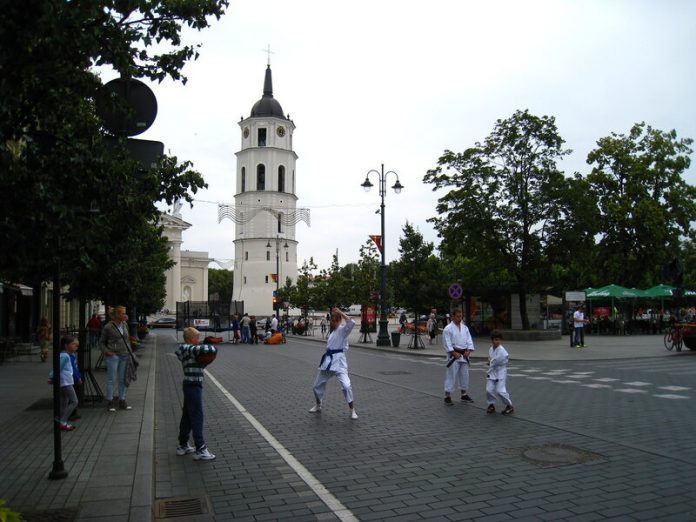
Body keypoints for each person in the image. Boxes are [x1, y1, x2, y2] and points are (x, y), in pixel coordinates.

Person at [309, 307, 358, 419]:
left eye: (336, 321)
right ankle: (318, 404)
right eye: (332, 321)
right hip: (328, 361)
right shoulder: (333, 332)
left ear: (339, 321)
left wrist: (340, 312)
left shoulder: (342, 330)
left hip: (339, 362)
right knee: (316, 385)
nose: (334, 323)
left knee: (346, 386)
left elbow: (351, 322)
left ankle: (352, 410)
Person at [175, 327, 216, 461]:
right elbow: (210, 350)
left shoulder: (184, 349)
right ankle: (200, 448)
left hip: (189, 384)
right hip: (193, 386)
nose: (198, 341)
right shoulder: (190, 348)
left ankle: (183, 445)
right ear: (192, 339)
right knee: (197, 416)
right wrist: (211, 344)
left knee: (187, 416)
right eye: (197, 338)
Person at [100, 305, 133, 412]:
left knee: (123, 379)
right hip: (113, 356)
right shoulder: (108, 327)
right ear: (117, 314)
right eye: (123, 313)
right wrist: (107, 352)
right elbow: (101, 342)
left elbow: (127, 339)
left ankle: (122, 400)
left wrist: (129, 351)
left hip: (124, 355)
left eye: (125, 313)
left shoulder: (124, 324)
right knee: (111, 379)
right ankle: (109, 401)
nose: (125, 315)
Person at [441, 308, 475, 405]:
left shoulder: (465, 328)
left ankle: (464, 394)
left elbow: (469, 340)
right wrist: (453, 352)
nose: (460, 318)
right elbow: (446, 342)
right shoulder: (448, 328)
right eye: (458, 316)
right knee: (451, 376)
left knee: (465, 375)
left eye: (461, 316)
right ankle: (447, 396)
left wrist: (469, 350)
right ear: (453, 317)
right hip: (454, 356)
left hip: (464, 355)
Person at [48, 336, 81, 431]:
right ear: (66, 346)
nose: (76, 346)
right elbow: (57, 367)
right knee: (74, 401)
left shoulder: (66, 355)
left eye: (77, 345)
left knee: (64, 402)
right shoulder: (64, 356)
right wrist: (51, 377)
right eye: (74, 344)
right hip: (66, 382)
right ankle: (62, 421)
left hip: (64, 382)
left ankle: (61, 421)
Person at [486, 330, 514, 415]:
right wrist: (490, 361)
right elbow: (491, 360)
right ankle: (491, 404)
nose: (497, 341)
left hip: (500, 372)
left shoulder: (502, 351)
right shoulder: (491, 349)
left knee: (500, 391)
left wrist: (490, 361)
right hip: (492, 372)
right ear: (492, 340)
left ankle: (509, 406)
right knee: (489, 390)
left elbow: (495, 361)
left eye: (499, 340)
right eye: (495, 340)